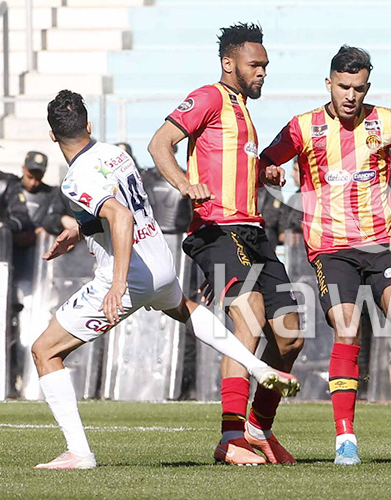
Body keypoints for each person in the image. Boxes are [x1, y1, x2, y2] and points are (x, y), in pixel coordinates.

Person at [31, 90, 299, 470]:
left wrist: (117, 283)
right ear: (89, 126)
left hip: (128, 273)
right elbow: (119, 205)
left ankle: (79, 453)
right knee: (186, 310)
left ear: (52, 136)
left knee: (45, 351)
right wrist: (80, 229)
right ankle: (255, 366)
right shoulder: (115, 153)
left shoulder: (74, 179)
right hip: (158, 261)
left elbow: (121, 217)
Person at [259, 45, 391, 465]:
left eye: (358, 87)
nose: (350, 95)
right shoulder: (304, 127)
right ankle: (345, 438)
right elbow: (267, 158)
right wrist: (270, 168)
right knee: (349, 328)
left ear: (367, 86)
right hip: (331, 249)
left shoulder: (386, 121)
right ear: (329, 84)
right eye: (343, 87)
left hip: (383, 244)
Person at [147, 23, 304, 466]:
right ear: (228, 63)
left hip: (253, 231)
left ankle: (258, 429)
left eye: (266, 66)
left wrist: (264, 173)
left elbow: (231, 164)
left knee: (291, 337)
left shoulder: (243, 110)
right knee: (249, 319)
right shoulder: (210, 96)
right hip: (216, 230)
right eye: (255, 65)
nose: (262, 73)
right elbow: (160, 144)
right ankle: (230, 436)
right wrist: (183, 183)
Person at [17, 151, 77, 236]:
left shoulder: (52, 193)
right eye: (29, 177)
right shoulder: (11, 189)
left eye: (38, 178)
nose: (33, 183)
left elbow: (54, 218)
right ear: (23, 169)